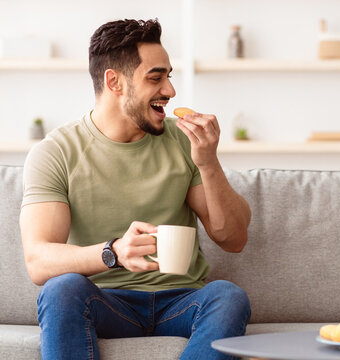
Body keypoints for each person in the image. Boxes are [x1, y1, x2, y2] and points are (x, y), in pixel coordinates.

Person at [20, 19, 251, 360]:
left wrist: (208, 162)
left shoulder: (183, 141)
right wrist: (113, 252)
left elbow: (233, 239)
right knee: (61, 289)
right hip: (105, 302)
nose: (170, 91)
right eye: (156, 77)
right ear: (114, 81)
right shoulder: (56, 152)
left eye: (169, 76)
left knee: (228, 297)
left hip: (181, 299)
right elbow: (38, 261)